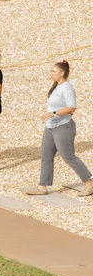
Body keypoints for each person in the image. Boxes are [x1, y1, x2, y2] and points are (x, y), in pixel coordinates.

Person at [24, 60, 93, 196]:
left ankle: (89, 182)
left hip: (63, 127)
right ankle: (43, 187)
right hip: (50, 126)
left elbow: (72, 107)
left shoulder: (67, 88)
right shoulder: (56, 87)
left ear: (62, 73)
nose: (51, 74)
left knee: (68, 157)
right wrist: (50, 116)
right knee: (46, 156)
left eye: (53, 71)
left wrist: (53, 113)